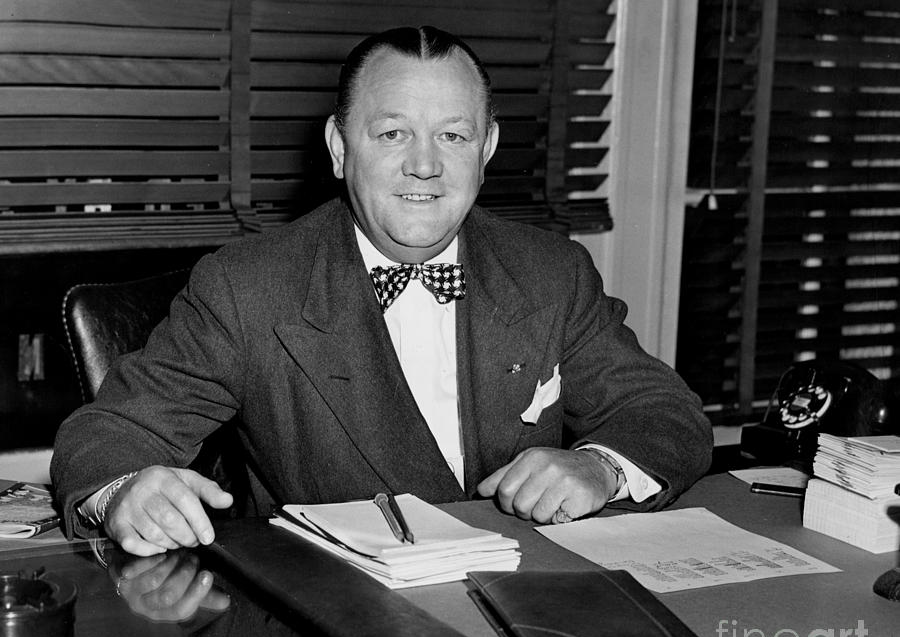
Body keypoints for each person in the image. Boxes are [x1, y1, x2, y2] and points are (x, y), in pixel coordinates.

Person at [51, 26, 712, 557]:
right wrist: (125, 491)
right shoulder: (247, 286)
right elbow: (109, 433)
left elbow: (664, 413)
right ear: (340, 148)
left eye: (453, 135)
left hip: (528, 611)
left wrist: (600, 467)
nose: (424, 165)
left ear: (486, 149)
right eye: (392, 133)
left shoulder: (552, 270)